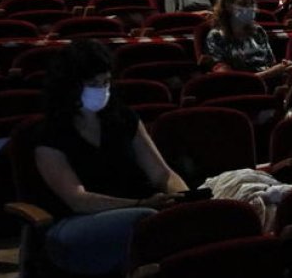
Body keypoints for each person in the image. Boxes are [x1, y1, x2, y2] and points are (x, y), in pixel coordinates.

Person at [33, 40, 189, 275]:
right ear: (70, 86)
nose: (101, 90)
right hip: (78, 223)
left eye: (105, 82)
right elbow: (78, 199)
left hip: (141, 210)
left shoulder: (123, 119)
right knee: (148, 221)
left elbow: (162, 173)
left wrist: (183, 200)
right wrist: (139, 205)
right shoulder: (50, 134)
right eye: (92, 84)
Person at [202, 0, 292, 79]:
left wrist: (284, 68)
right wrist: (270, 73)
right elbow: (227, 79)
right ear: (228, 7)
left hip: (270, 85)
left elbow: (271, 64)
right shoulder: (216, 36)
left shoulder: (258, 31)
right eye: (243, 4)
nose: (250, 8)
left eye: (252, 3)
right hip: (242, 90)